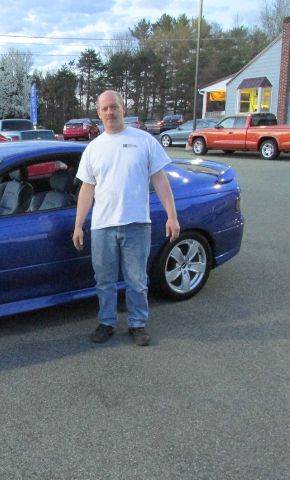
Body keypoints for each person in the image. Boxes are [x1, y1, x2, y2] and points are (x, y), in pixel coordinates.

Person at [72, 91, 180, 346]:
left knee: (137, 281)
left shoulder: (144, 141)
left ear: (123, 108)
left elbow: (160, 180)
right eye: (104, 109)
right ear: (98, 114)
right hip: (102, 227)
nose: (110, 112)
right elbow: (87, 189)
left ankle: (137, 324)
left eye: (114, 107)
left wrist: (172, 216)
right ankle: (106, 322)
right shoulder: (93, 148)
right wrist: (78, 225)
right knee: (104, 281)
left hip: (136, 224)